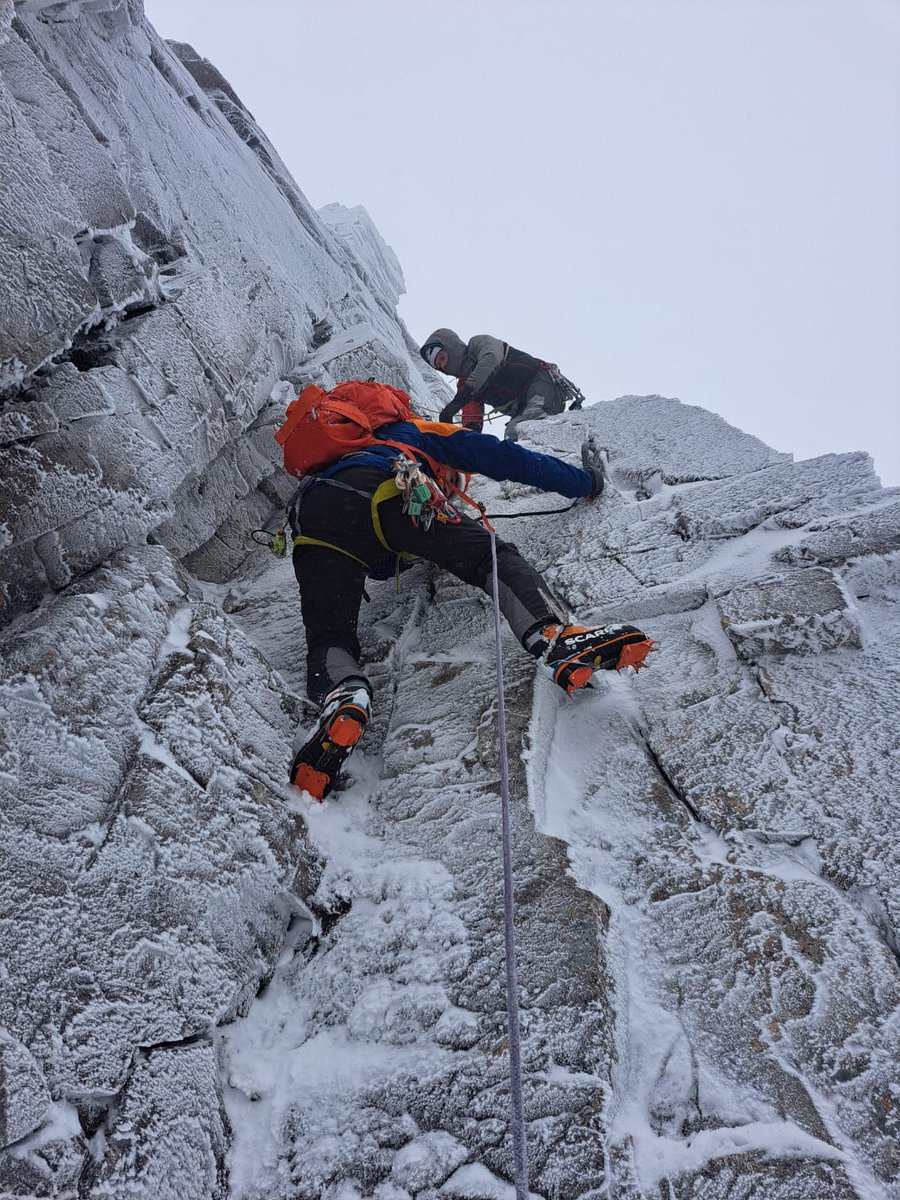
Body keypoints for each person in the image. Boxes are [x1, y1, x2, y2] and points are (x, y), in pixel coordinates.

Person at [282, 387, 653, 800]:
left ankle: (345, 697)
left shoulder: (332, 458)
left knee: (330, 636)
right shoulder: (416, 432)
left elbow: (382, 563)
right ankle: (553, 638)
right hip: (388, 486)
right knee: (491, 558)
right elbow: (508, 458)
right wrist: (586, 482)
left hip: (312, 516)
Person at [420, 328, 583, 442]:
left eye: (442, 357)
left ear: (452, 347)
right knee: (513, 436)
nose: (442, 365)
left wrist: (456, 402)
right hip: (521, 409)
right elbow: (472, 418)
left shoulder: (478, 344)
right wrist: (466, 439)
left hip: (541, 381)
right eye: (438, 365)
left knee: (534, 417)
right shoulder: (465, 385)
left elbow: (490, 358)